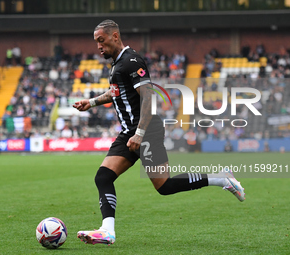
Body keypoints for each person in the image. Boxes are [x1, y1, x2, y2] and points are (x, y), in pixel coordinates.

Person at [73, 20, 245, 246]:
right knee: (104, 177)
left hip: (145, 130)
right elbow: (115, 92)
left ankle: (221, 178)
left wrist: (140, 133)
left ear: (115, 36)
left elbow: (148, 96)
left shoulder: (132, 61)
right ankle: (107, 230)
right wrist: (92, 102)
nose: (98, 46)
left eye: (101, 41)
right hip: (130, 131)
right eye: (96, 42)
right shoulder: (117, 65)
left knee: (163, 186)